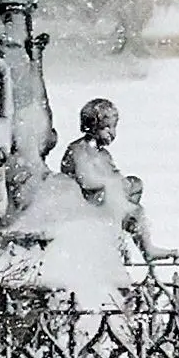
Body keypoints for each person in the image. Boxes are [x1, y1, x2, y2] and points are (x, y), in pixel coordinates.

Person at [58, 97, 162, 268]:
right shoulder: (79, 149)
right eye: (106, 128)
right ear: (92, 126)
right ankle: (122, 240)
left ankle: (145, 247)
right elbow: (86, 181)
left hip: (105, 202)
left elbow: (115, 176)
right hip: (86, 205)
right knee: (125, 204)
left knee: (135, 198)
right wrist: (113, 184)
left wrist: (125, 184)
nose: (112, 133)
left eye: (114, 127)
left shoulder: (104, 155)